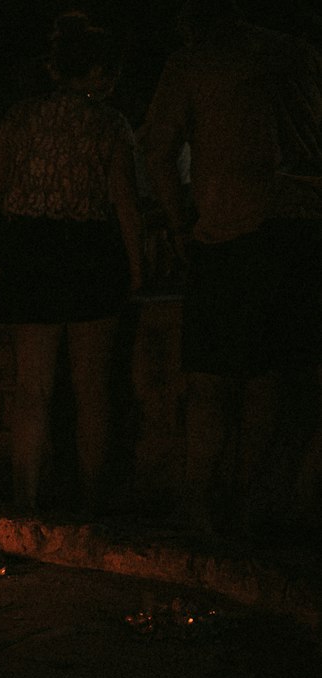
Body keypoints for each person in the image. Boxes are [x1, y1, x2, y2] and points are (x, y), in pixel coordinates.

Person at [143, 0, 322, 534]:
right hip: (303, 227)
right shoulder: (299, 55)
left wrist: (178, 225)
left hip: (231, 230)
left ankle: (199, 502)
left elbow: (156, 150)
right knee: (268, 374)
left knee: (211, 376)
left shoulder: (195, 62)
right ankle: (252, 501)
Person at [0, 12, 142, 513]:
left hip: (31, 253)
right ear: (94, 71)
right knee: (92, 391)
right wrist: (137, 269)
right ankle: (92, 504)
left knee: (33, 390)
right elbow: (125, 204)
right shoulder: (110, 124)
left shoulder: (19, 118)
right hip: (91, 253)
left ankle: (24, 501)